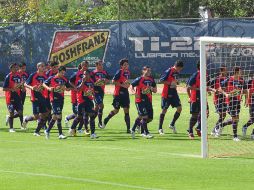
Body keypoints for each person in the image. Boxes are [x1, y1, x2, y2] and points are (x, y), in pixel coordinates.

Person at [102, 58, 131, 133]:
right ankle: (106, 120)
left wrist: (128, 84)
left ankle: (128, 129)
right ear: (121, 66)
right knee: (116, 110)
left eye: (127, 64)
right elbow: (113, 81)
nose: (126, 66)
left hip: (125, 94)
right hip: (118, 94)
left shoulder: (128, 72)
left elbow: (126, 81)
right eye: (124, 65)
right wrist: (122, 85)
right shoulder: (119, 72)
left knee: (126, 110)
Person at [219, 67, 246, 141]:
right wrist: (226, 94)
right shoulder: (229, 79)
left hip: (237, 101)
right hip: (230, 101)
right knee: (234, 118)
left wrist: (245, 98)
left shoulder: (241, 80)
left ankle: (221, 125)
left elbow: (245, 90)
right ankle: (235, 136)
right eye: (241, 71)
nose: (242, 72)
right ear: (237, 72)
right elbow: (220, 88)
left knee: (236, 119)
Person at [43, 66, 71, 139]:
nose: (63, 74)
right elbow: (44, 84)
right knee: (59, 116)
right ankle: (60, 134)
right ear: (58, 71)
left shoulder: (64, 79)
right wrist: (49, 88)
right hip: (54, 99)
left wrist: (66, 88)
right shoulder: (52, 78)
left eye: (64, 73)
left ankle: (47, 130)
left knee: (55, 116)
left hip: (61, 99)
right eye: (62, 73)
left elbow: (69, 88)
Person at [158, 60, 184, 135]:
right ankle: (160, 128)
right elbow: (161, 80)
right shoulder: (169, 71)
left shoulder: (176, 72)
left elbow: (175, 81)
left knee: (179, 108)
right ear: (178, 67)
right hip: (166, 93)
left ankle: (172, 124)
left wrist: (177, 82)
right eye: (180, 68)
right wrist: (170, 83)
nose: (180, 70)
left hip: (174, 93)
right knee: (164, 110)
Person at [69, 71, 98, 139]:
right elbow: (78, 89)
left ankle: (93, 133)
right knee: (79, 117)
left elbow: (92, 92)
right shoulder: (80, 81)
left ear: (89, 75)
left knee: (92, 116)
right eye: (83, 74)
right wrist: (83, 82)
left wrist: (95, 101)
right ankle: (72, 128)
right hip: (81, 101)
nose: (84, 75)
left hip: (89, 101)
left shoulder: (91, 82)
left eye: (86, 74)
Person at [131, 66, 157, 138]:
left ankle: (133, 129)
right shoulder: (139, 79)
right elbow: (132, 86)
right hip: (139, 101)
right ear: (143, 71)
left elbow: (155, 90)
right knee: (144, 116)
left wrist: (151, 88)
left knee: (149, 118)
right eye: (147, 71)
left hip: (148, 100)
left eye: (150, 71)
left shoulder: (151, 79)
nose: (149, 72)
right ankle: (146, 133)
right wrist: (134, 93)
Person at [23, 62, 49, 136]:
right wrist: (32, 87)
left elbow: (47, 85)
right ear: (38, 67)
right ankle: (26, 119)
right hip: (35, 98)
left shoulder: (45, 76)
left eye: (44, 66)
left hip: (43, 97)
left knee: (45, 114)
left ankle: (37, 131)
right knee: (36, 116)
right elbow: (25, 84)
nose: (44, 67)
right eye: (42, 66)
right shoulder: (33, 75)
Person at [67, 61, 90, 134]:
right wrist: (75, 87)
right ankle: (73, 128)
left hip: (85, 96)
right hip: (76, 96)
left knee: (84, 114)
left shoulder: (88, 74)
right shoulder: (76, 74)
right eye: (85, 66)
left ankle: (80, 129)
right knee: (79, 115)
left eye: (87, 66)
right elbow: (70, 81)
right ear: (82, 65)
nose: (86, 67)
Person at [5, 62, 28, 126]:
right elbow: (5, 88)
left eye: (25, 68)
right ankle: (14, 121)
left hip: (21, 93)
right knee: (15, 110)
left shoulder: (25, 75)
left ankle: (21, 124)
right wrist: (13, 89)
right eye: (22, 68)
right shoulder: (12, 75)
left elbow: (25, 84)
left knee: (20, 109)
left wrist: (23, 88)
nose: (24, 69)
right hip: (13, 94)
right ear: (19, 68)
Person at [3, 63, 24, 132]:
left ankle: (9, 118)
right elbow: (4, 88)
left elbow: (21, 85)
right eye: (14, 67)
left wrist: (22, 87)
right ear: (11, 68)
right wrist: (12, 89)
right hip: (10, 97)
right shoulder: (8, 76)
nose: (16, 68)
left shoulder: (19, 76)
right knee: (11, 112)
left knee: (20, 112)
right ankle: (11, 128)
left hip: (17, 96)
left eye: (17, 67)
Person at [91, 60, 110, 128]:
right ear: (96, 65)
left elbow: (108, 80)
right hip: (95, 91)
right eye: (100, 65)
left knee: (96, 108)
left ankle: (90, 120)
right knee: (101, 105)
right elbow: (91, 82)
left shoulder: (105, 72)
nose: (101, 66)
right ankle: (100, 122)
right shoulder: (93, 73)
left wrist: (105, 80)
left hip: (101, 91)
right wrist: (97, 82)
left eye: (102, 65)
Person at [210, 66, 228, 136]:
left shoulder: (227, 79)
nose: (226, 72)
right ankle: (217, 129)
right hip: (217, 99)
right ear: (221, 71)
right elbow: (209, 87)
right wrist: (214, 90)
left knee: (223, 115)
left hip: (225, 99)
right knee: (222, 114)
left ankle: (215, 128)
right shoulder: (216, 79)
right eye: (225, 70)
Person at [186, 61, 201, 139]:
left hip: (202, 97)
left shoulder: (205, 75)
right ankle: (190, 131)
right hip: (195, 97)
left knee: (206, 113)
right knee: (195, 115)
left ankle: (198, 127)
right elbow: (188, 87)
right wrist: (190, 97)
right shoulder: (195, 75)